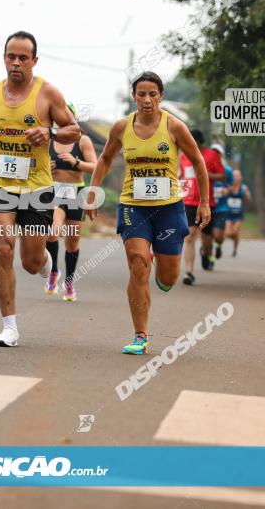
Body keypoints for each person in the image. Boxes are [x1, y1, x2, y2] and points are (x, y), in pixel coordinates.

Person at [0, 31, 80, 347]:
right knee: (3, 247)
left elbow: (74, 131)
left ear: (34, 61)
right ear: (4, 58)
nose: (16, 63)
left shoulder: (48, 94)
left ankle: (45, 265)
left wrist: (49, 133)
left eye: (23, 57)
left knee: (30, 262)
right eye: (11, 56)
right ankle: (9, 327)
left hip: (37, 187)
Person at [86, 71, 211, 354]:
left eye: (152, 94)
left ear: (161, 96)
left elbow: (198, 162)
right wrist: (92, 191)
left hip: (169, 208)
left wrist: (203, 203)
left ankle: (161, 269)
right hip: (133, 205)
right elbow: (105, 158)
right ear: (134, 97)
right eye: (141, 94)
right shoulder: (121, 127)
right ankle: (140, 335)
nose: (147, 100)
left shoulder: (175, 127)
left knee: (168, 278)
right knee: (138, 263)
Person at [45, 103, 97, 302]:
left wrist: (76, 163)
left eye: (66, 117)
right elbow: (32, 167)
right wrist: (44, 168)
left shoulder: (83, 141)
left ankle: (69, 282)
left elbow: (95, 167)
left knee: (72, 243)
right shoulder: (47, 140)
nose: (61, 120)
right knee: (52, 232)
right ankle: (54, 271)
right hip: (54, 192)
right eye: (58, 117)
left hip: (76, 193)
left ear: (72, 119)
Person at [179, 130, 225, 285]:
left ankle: (206, 254)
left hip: (206, 203)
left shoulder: (212, 155)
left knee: (206, 240)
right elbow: (181, 176)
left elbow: (222, 176)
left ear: (198, 141)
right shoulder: (183, 156)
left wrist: (204, 174)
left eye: (191, 140)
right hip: (188, 202)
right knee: (190, 236)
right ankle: (189, 273)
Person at [209, 143, 234, 261]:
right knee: (209, 235)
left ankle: (218, 246)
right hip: (209, 205)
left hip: (222, 207)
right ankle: (208, 256)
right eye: (213, 152)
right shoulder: (205, 167)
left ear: (221, 155)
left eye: (217, 153)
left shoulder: (227, 170)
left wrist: (227, 190)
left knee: (218, 235)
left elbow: (233, 187)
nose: (215, 154)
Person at [225, 169, 250, 257]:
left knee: (235, 232)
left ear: (241, 177)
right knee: (227, 233)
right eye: (234, 176)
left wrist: (247, 197)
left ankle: (235, 249)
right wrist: (227, 191)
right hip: (228, 213)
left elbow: (248, 201)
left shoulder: (244, 188)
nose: (235, 177)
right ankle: (233, 238)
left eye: (237, 176)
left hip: (238, 214)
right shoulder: (228, 186)